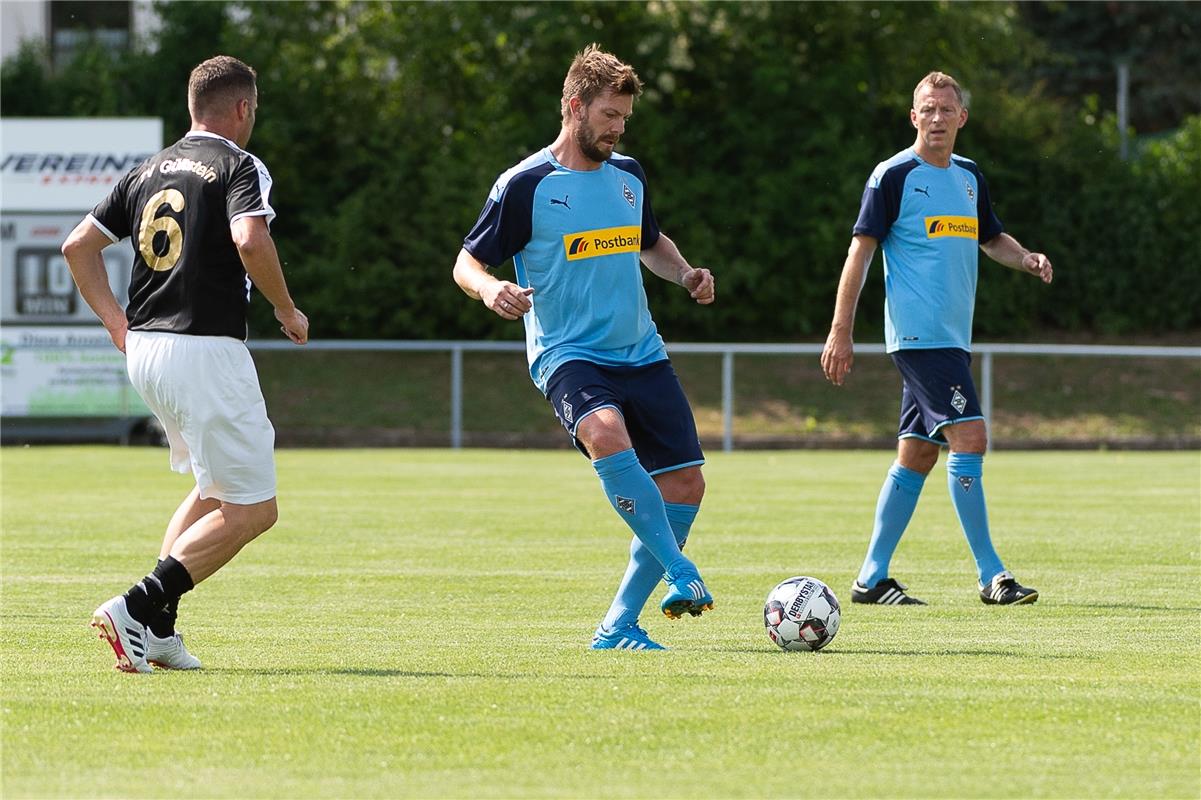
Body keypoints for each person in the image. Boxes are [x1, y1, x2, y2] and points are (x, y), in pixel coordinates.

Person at [453, 44, 716, 650]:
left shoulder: (629, 175)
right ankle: (681, 571)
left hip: (640, 350)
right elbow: (467, 261)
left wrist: (684, 274)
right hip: (567, 353)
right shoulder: (527, 184)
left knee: (685, 485)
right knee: (603, 432)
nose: (619, 129)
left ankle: (618, 624)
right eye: (609, 116)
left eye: (624, 118)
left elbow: (649, 240)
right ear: (574, 107)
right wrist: (490, 289)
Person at [62, 55, 309, 672]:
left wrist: (116, 323)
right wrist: (286, 307)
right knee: (254, 509)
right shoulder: (239, 165)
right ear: (243, 108)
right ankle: (139, 606)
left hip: (146, 350)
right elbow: (250, 238)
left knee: (210, 487)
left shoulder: (148, 169)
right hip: (205, 349)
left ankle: (160, 633)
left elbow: (77, 247)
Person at [820, 71, 1052, 607]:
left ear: (962, 117)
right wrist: (841, 331)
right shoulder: (893, 175)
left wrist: (1026, 258)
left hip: (953, 339)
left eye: (947, 110)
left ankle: (870, 579)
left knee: (918, 454)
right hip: (918, 338)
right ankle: (992, 576)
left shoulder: (970, 178)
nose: (938, 118)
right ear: (913, 116)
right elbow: (860, 253)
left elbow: (991, 238)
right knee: (970, 438)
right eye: (928, 109)